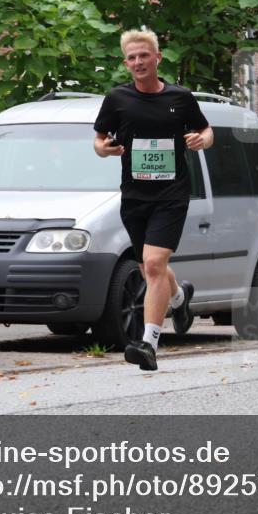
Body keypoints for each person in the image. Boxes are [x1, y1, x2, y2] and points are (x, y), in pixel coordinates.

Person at [94, 29, 213, 371]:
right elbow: (99, 141)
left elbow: (207, 130)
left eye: (144, 55)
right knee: (150, 268)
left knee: (155, 263)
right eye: (131, 57)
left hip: (171, 195)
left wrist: (201, 140)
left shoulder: (180, 97)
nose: (138, 62)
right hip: (134, 196)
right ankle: (179, 297)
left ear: (157, 57)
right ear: (125, 63)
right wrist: (105, 149)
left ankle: (148, 343)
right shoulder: (117, 99)